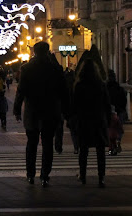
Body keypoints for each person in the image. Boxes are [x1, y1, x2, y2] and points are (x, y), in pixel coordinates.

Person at [13, 41, 68, 188]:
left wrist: (17, 108)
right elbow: (63, 92)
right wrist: (66, 110)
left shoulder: (26, 68)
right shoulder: (56, 68)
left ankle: (30, 174)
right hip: (50, 110)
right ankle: (45, 176)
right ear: (47, 51)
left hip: (32, 110)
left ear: (34, 52)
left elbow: (21, 90)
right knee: (48, 144)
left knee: (31, 143)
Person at [71, 58, 111, 188]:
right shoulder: (101, 85)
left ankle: (83, 176)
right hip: (98, 120)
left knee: (83, 150)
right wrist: (108, 120)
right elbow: (107, 104)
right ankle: (101, 178)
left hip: (84, 120)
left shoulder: (79, 85)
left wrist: (73, 120)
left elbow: (74, 105)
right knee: (100, 151)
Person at [106, 70, 127, 154]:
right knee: (119, 127)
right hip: (119, 111)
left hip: (109, 112)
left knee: (109, 129)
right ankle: (118, 140)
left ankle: (111, 147)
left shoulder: (105, 88)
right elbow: (124, 100)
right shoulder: (119, 88)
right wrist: (122, 108)